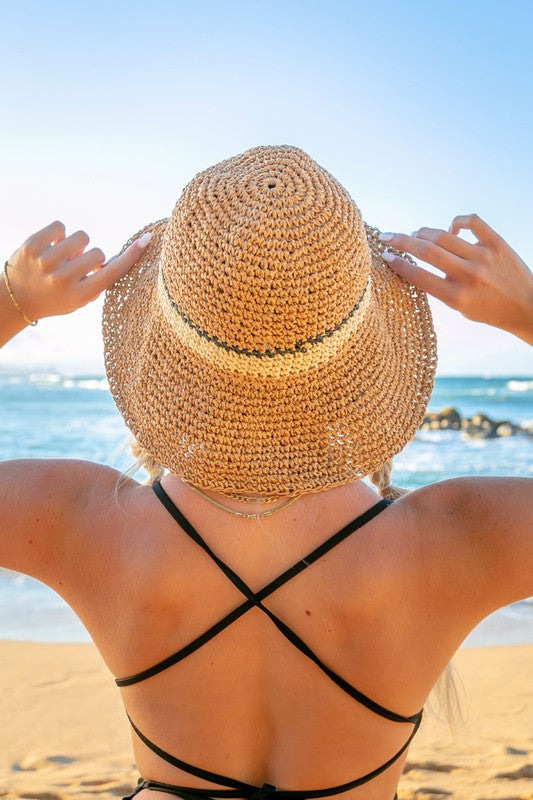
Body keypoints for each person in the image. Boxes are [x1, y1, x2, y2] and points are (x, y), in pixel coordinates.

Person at [0, 145, 532, 800]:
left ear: (170, 335)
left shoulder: (81, 520)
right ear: (358, 339)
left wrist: (11, 304)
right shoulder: (456, 538)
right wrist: (525, 312)